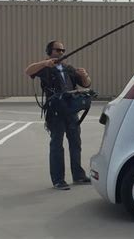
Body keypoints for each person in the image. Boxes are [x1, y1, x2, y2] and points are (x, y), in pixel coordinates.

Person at [25, 41, 92, 190]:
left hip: (71, 110)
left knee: (75, 143)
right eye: (58, 50)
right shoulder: (45, 68)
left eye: (63, 50)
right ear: (50, 51)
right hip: (55, 111)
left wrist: (85, 75)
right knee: (57, 145)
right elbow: (28, 71)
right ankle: (58, 180)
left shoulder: (69, 69)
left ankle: (78, 175)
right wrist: (45, 63)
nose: (61, 53)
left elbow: (86, 84)